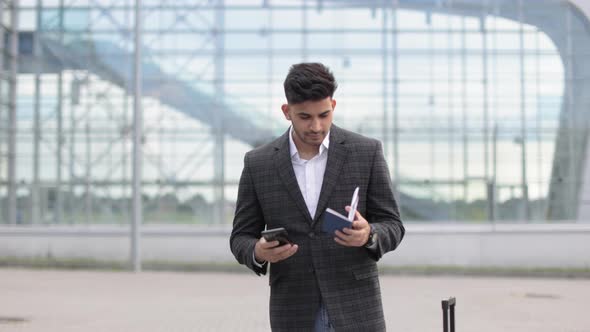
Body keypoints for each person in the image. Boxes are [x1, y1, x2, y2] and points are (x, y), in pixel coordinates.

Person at [230, 62, 405, 331]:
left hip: (356, 308)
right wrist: (257, 251)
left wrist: (369, 234)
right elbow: (240, 237)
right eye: (305, 117)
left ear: (333, 105)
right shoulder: (258, 163)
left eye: (324, 115)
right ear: (286, 112)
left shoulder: (366, 152)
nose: (316, 126)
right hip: (293, 310)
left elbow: (393, 225)